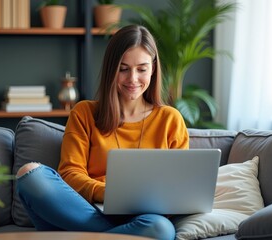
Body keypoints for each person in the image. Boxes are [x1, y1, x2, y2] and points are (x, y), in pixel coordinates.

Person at [16, 25, 189, 240]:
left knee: (160, 228)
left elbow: (178, 189)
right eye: (123, 69)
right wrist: (108, 194)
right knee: (30, 173)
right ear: (111, 69)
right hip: (86, 210)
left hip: (141, 218)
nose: (133, 79)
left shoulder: (170, 119)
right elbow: (70, 173)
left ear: (153, 69)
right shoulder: (84, 112)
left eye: (142, 69)